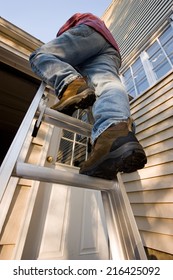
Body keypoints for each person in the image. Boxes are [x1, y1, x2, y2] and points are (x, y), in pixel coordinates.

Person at [29, 13, 147, 180]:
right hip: (111, 49)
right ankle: (114, 133)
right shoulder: (101, 26)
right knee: (107, 84)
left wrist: (69, 72)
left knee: (40, 56)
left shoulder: (75, 22)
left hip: (88, 32)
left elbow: (69, 32)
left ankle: (72, 86)